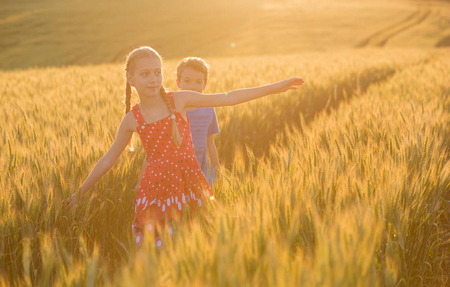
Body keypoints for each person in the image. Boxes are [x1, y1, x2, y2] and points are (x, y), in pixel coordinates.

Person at [65, 46, 304, 249]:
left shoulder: (179, 100)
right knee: (154, 249)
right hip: (154, 192)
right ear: (131, 78)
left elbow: (227, 97)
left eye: (157, 72)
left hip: (189, 185)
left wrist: (274, 88)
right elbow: (108, 159)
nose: (153, 79)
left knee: (193, 244)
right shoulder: (132, 119)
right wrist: (82, 191)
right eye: (145, 73)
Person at [135, 57, 220, 190]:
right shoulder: (169, 109)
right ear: (178, 83)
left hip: (202, 175)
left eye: (198, 81)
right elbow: (155, 150)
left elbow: (211, 144)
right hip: (174, 177)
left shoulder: (208, 109)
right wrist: (140, 182)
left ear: (205, 84)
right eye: (187, 81)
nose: (192, 86)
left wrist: (217, 172)